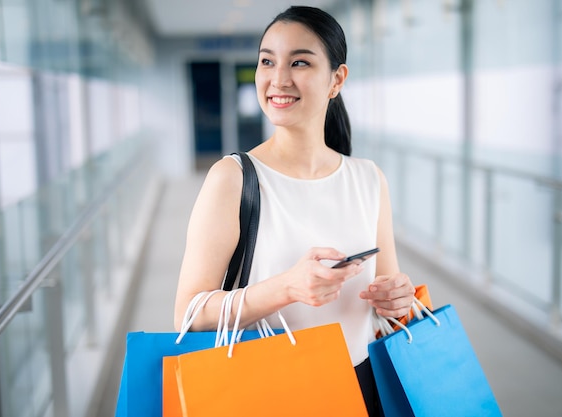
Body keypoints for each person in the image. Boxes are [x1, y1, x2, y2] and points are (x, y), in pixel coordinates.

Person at [174, 5, 415, 415]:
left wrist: (396, 299)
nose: (278, 79)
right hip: (268, 389)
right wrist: (286, 287)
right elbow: (188, 316)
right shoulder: (233, 178)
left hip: (360, 388)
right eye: (267, 61)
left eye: (299, 62)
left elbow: (390, 306)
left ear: (336, 79)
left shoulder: (369, 179)